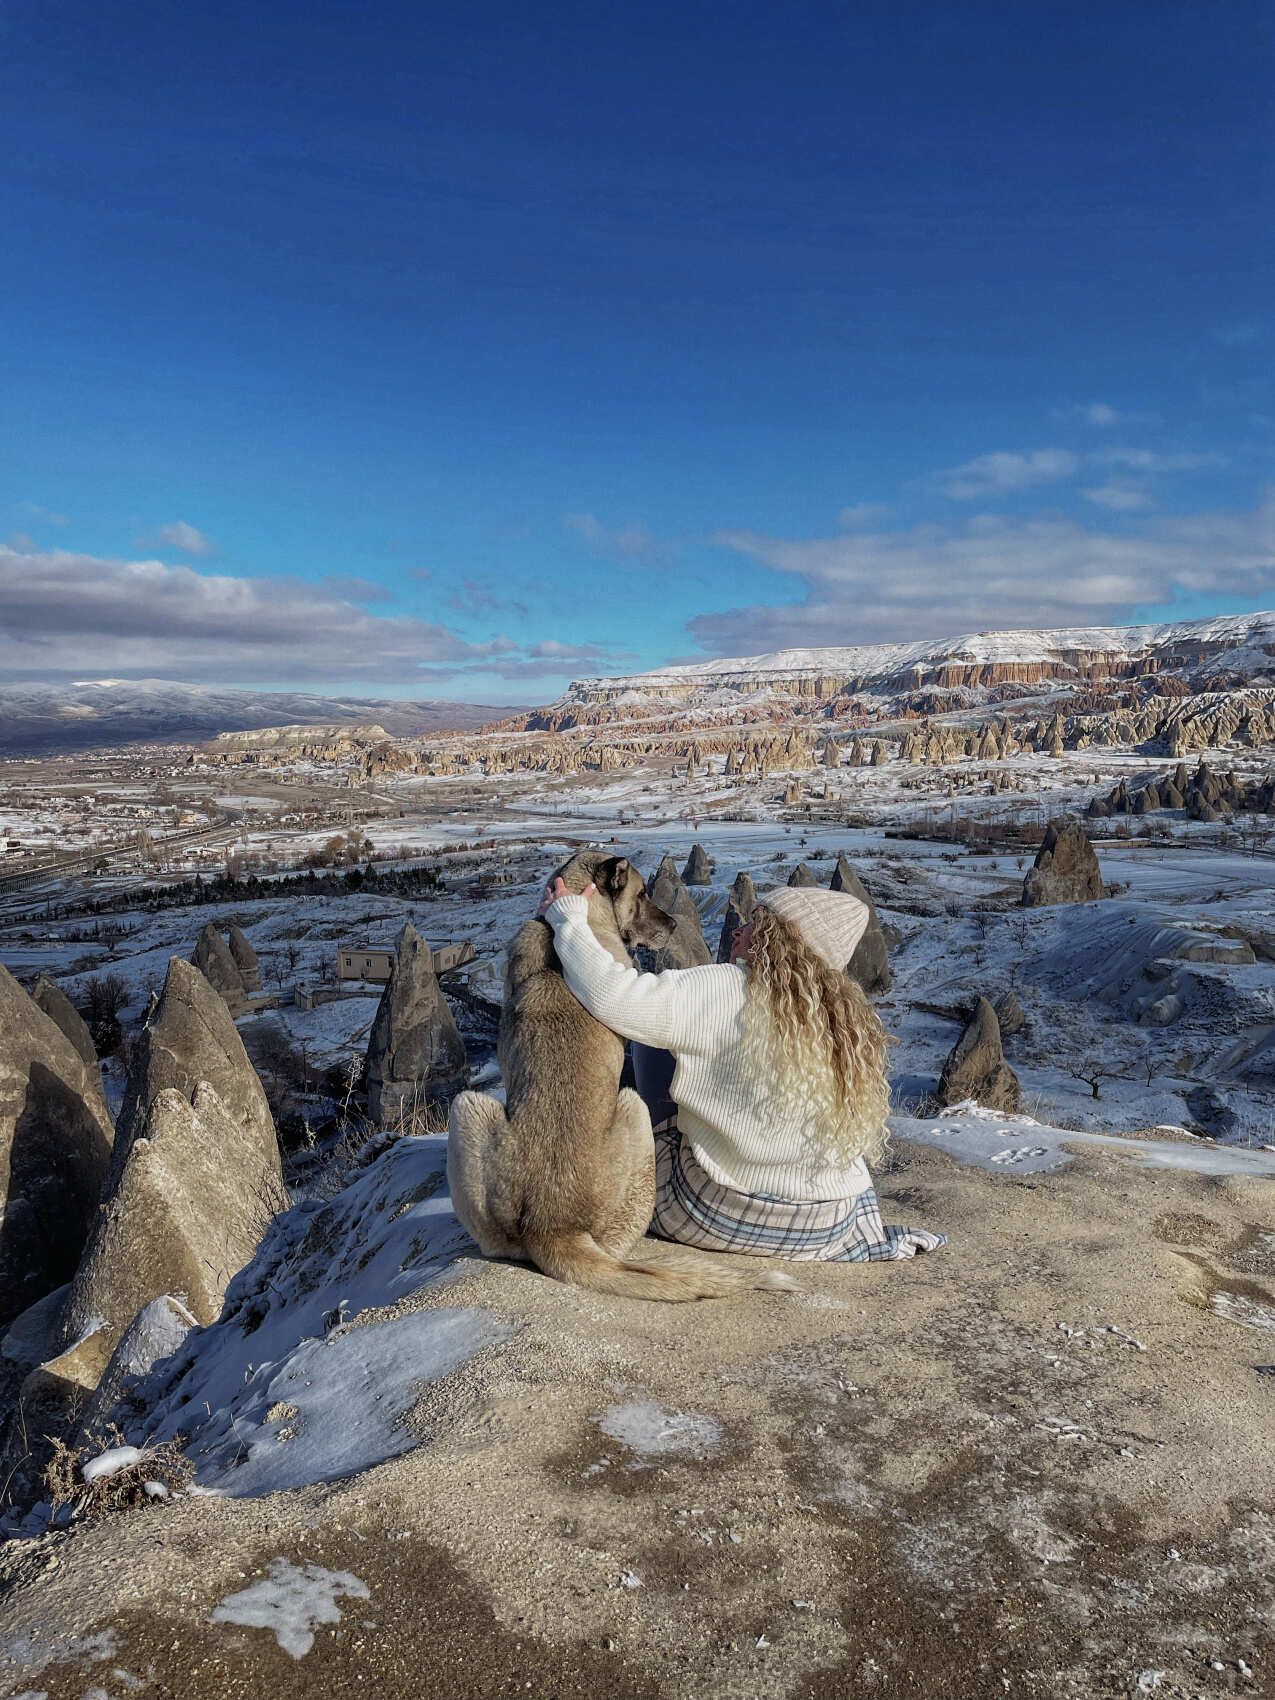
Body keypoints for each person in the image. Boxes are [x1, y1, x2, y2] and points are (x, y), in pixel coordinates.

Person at [539, 874, 945, 1263]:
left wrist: (568, 920)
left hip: (718, 1213)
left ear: (778, 942)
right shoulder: (843, 1019)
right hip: (825, 1224)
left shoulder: (725, 987)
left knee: (651, 1036)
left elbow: (615, 998)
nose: (738, 931)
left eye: (755, 926)